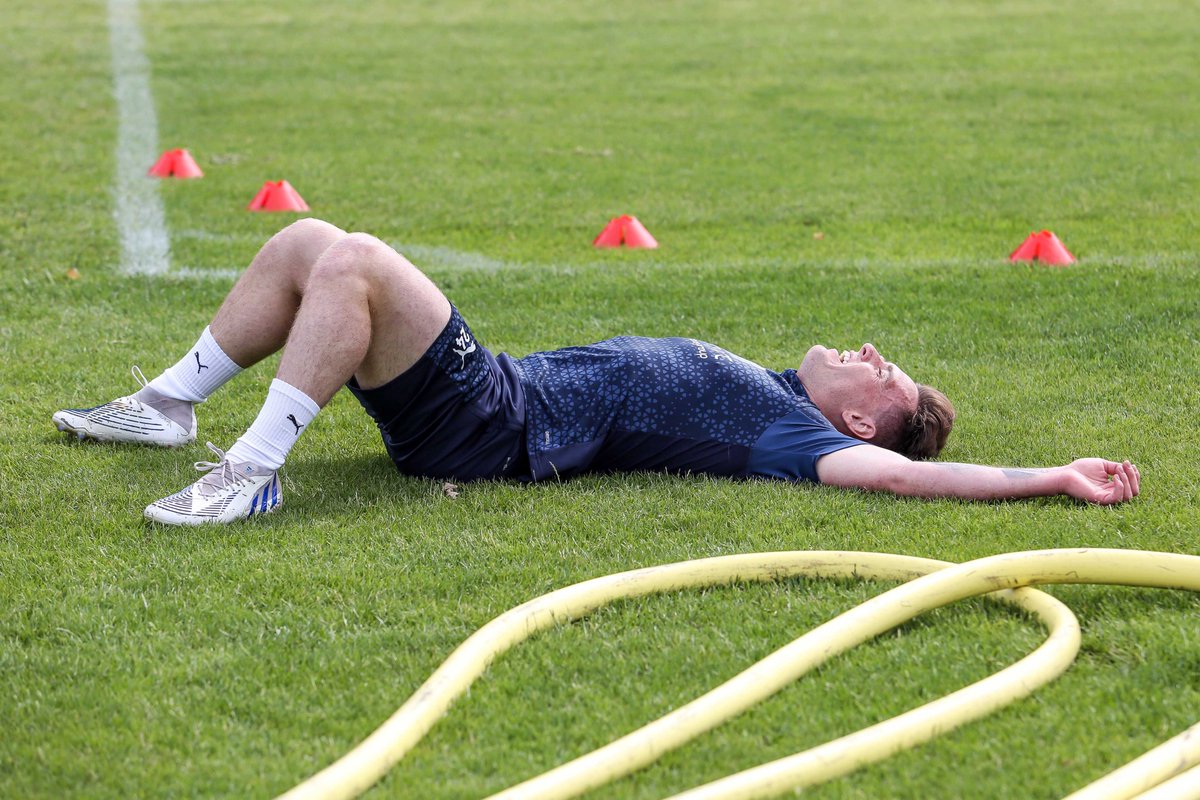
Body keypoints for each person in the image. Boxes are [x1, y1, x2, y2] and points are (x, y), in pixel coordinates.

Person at [53, 219, 1141, 525]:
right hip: (499, 398)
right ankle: (168, 406)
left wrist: (1049, 475)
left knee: (356, 262)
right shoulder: (773, 386)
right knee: (308, 242)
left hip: (497, 427)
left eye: (882, 368)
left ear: (862, 416)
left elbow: (909, 479)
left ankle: (253, 468)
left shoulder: (801, 439)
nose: (866, 348)